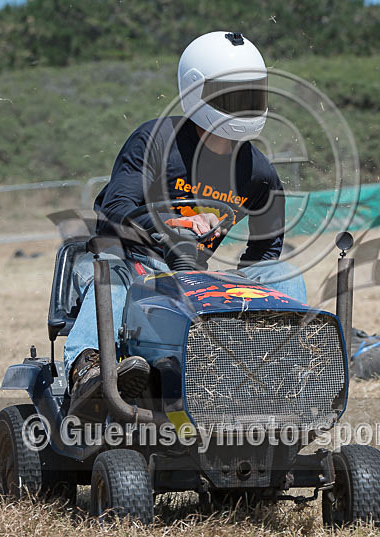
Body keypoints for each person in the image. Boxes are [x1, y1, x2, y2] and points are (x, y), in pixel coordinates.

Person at [64, 31, 306, 414]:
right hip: (128, 264)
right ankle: (88, 369)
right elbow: (114, 211)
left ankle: (280, 374)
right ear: (197, 93)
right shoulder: (155, 140)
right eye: (231, 96)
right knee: (110, 276)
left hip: (189, 276)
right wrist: (175, 224)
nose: (244, 106)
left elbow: (264, 249)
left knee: (284, 273)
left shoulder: (258, 173)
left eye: (252, 95)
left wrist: (248, 284)